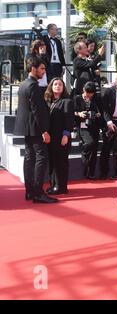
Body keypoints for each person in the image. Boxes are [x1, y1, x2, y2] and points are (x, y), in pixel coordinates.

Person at [13, 56, 58, 204]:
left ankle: (30, 191)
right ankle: (38, 192)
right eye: (42, 69)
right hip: (35, 128)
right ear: (34, 68)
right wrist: (44, 131)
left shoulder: (24, 84)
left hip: (27, 127)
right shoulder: (32, 86)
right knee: (41, 157)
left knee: (29, 157)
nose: (44, 72)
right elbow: (36, 111)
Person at [45, 78, 75, 194]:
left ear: (63, 88)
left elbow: (69, 120)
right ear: (51, 87)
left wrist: (66, 135)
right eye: (55, 84)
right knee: (53, 162)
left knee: (61, 163)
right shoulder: (49, 102)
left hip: (62, 137)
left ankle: (61, 187)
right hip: (51, 138)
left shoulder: (67, 101)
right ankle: (53, 185)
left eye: (60, 85)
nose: (58, 86)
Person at [74, 81, 102, 179]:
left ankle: (90, 173)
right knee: (90, 143)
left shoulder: (95, 99)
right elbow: (71, 111)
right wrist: (79, 114)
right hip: (82, 126)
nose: (89, 95)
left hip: (93, 125)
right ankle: (84, 152)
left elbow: (99, 111)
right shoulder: (77, 98)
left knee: (94, 149)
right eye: (87, 93)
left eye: (91, 93)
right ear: (83, 90)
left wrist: (97, 114)